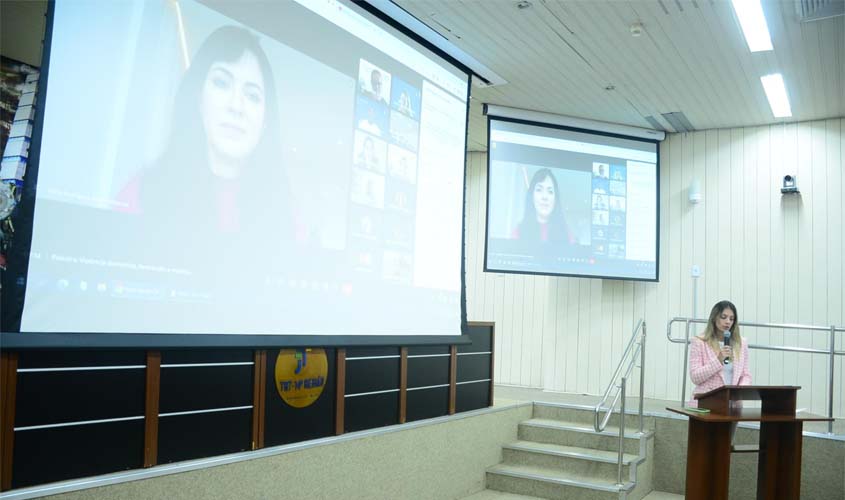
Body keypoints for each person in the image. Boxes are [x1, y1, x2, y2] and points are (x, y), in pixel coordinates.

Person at [137, 26, 292, 275]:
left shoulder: (286, 218)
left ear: (265, 123)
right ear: (199, 98)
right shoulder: (144, 191)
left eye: (252, 96)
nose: (236, 106)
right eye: (222, 83)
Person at [689, 300, 752, 401]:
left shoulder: (741, 343)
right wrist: (718, 360)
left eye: (731, 319)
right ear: (714, 318)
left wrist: (739, 391)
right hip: (706, 401)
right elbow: (695, 377)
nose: (728, 322)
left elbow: (746, 375)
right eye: (723, 317)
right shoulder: (699, 342)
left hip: (732, 401)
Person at [512, 168, 574, 244]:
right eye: (539, 190)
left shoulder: (567, 235)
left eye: (550, 191)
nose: (545, 197)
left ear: (555, 199)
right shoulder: (518, 232)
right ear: (532, 196)